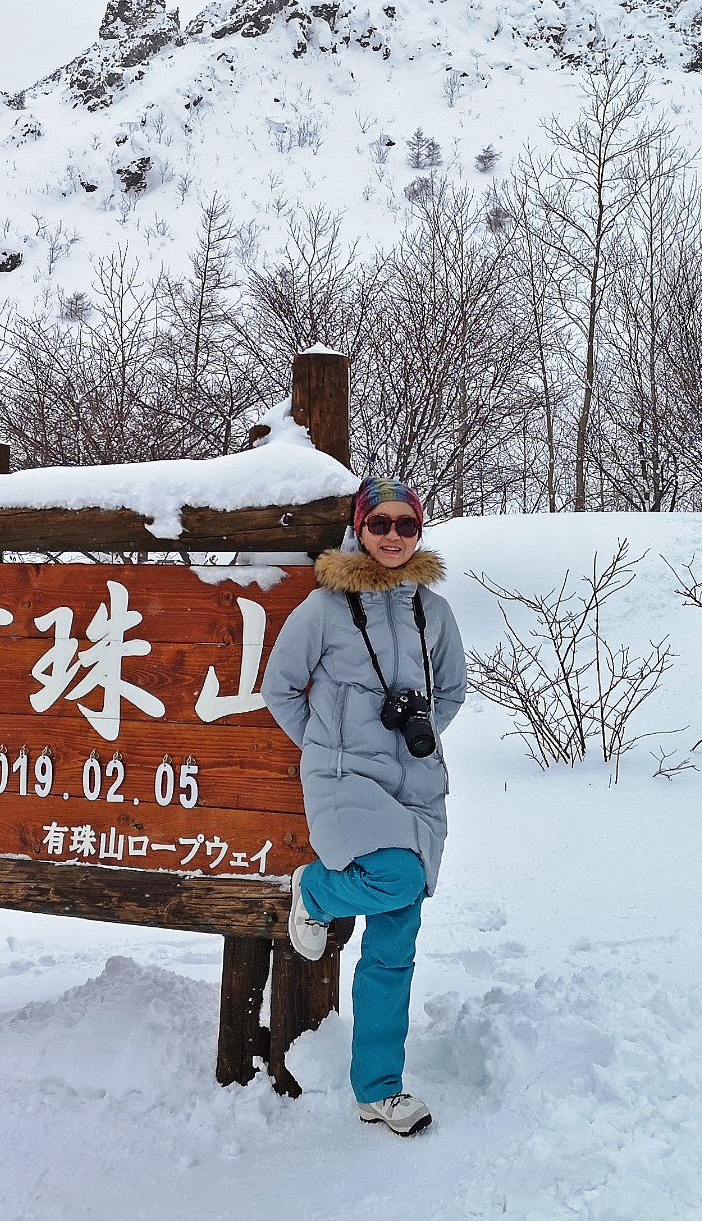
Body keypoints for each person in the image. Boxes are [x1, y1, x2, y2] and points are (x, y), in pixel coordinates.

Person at [261, 475, 467, 1137]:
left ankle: (379, 1089)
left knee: (395, 944)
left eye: (407, 525)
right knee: (396, 876)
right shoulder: (324, 607)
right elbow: (281, 687)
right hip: (344, 777)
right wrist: (331, 746)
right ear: (360, 528)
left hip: (416, 783)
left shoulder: (434, 611)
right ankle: (315, 891)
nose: (394, 536)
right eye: (381, 524)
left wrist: (416, 739)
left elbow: (454, 690)